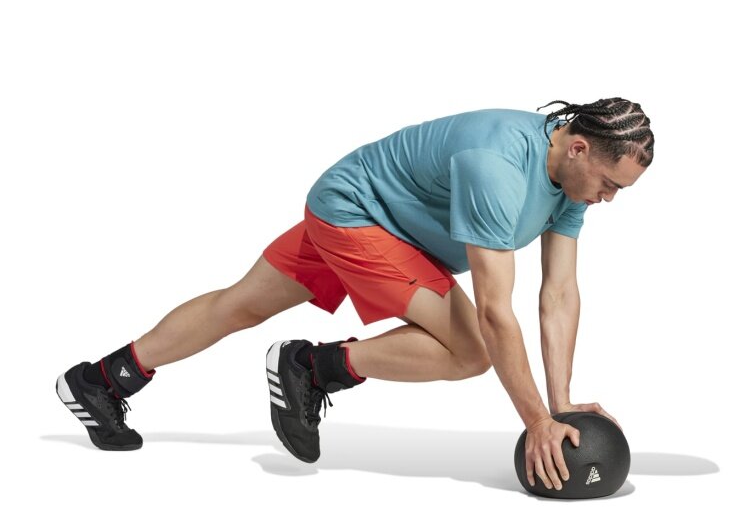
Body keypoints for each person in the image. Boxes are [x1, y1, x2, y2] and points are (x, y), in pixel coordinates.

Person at [56, 97, 653, 492]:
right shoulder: (498, 164)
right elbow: (496, 312)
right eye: (609, 184)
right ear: (578, 147)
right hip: (355, 212)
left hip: (376, 218)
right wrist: (536, 421)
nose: (608, 199)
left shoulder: (569, 185)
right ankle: (312, 367)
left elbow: (559, 294)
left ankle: (100, 380)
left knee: (240, 305)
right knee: (473, 349)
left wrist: (561, 405)